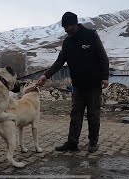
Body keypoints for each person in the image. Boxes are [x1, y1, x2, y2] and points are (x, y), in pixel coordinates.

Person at [36, 12, 109, 153]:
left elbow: (103, 57)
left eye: (69, 26)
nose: (66, 29)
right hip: (77, 86)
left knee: (93, 114)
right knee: (75, 115)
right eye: (64, 27)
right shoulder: (67, 42)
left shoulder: (91, 35)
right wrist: (46, 76)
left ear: (76, 24)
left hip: (93, 84)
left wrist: (105, 77)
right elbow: (59, 62)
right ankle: (72, 143)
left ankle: (93, 142)